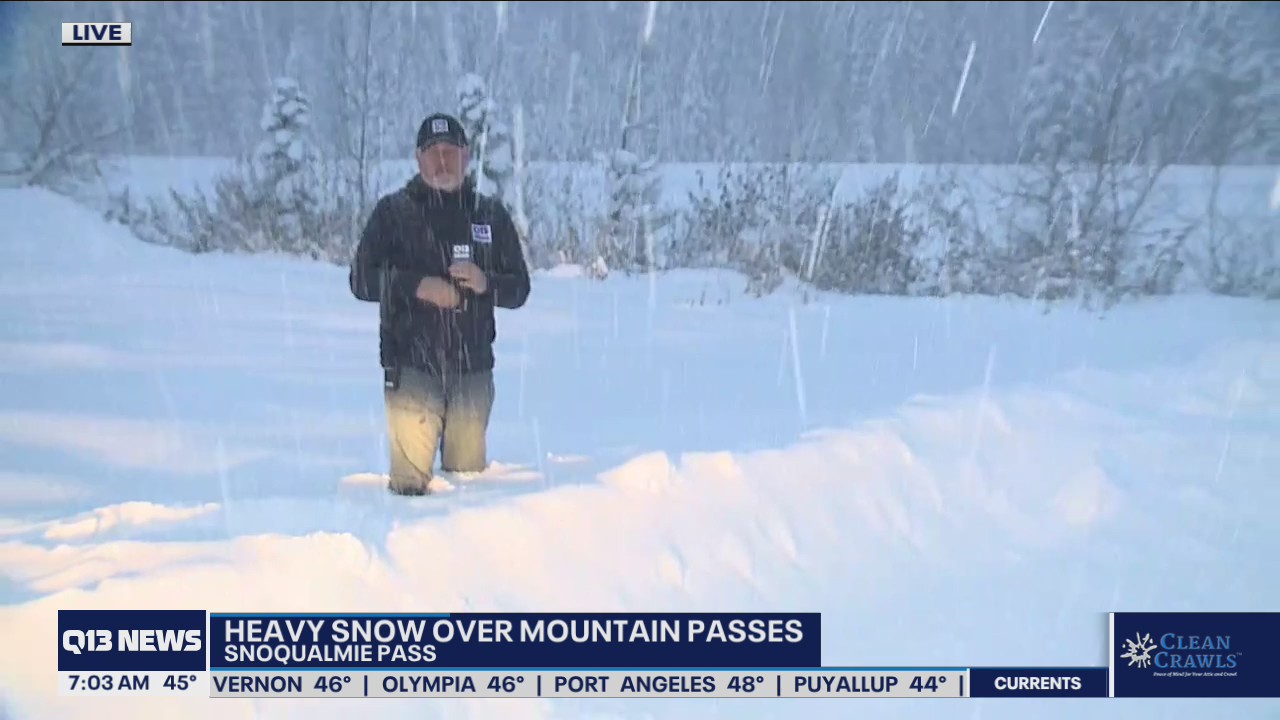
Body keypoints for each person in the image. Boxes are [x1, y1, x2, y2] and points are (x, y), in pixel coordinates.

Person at [348, 112, 531, 496]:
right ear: (418, 158)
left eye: (451, 151)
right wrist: (417, 285)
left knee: (468, 486)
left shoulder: (489, 215)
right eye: (433, 152)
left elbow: (520, 289)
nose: (442, 161)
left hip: (473, 372)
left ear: (467, 156)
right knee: (410, 489)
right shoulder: (393, 213)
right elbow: (361, 281)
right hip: (411, 370)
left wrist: (485, 282)